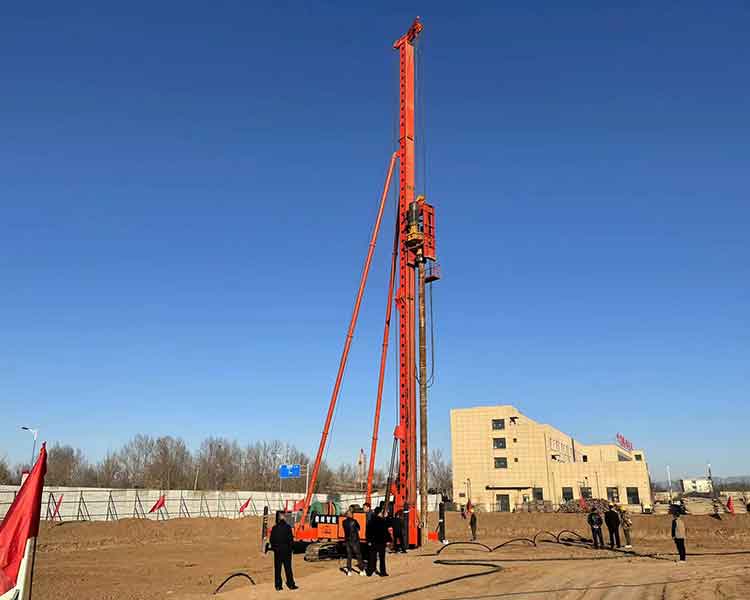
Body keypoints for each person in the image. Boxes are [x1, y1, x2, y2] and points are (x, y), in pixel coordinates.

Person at [269, 513, 298, 591]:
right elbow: (290, 540)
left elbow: (272, 540)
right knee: (288, 568)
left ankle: (278, 586)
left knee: (277, 569)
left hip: (278, 552)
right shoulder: (288, 527)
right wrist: (291, 548)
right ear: (284, 520)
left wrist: (275, 548)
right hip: (286, 551)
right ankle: (290, 584)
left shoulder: (274, 528)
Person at [365, 507, 390, 577]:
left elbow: (367, 532)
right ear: (379, 513)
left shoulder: (370, 521)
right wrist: (388, 540)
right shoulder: (383, 521)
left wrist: (368, 541)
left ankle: (370, 572)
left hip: (373, 542)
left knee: (372, 557)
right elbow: (385, 532)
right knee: (382, 558)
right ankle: (383, 572)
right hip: (381, 542)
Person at [342, 510, 366, 576]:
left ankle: (349, 571)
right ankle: (361, 570)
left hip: (347, 540)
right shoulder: (354, 521)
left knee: (349, 556)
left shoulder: (343, 522)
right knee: (358, 555)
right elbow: (358, 528)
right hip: (355, 540)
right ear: (351, 515)